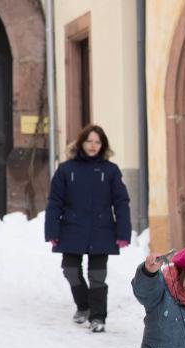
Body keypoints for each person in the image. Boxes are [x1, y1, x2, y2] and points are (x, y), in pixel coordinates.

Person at [44, 124, 131, 332]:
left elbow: (121, 202)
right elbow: (55, 202)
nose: (93, 146)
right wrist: (52, 231)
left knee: (97, 275)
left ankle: (98, 317)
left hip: (102, 229)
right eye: (89, 141)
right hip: (72, 227)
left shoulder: (111, 171)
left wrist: (123, 233)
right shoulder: (66, 170)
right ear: (81, 143)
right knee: (71, 270)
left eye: (97, 142)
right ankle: (83, 306)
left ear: (103, 145)